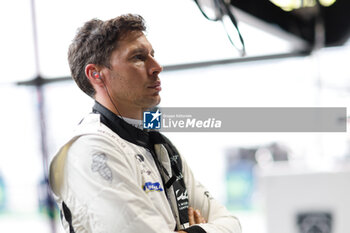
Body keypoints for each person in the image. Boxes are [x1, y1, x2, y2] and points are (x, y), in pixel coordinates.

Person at [49, 14, 242, 233]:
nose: (157, 66)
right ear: (96, 74)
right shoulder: (90, 148)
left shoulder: (162, 147)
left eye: (152, 55)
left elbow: (232, 224)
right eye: (138, 57)